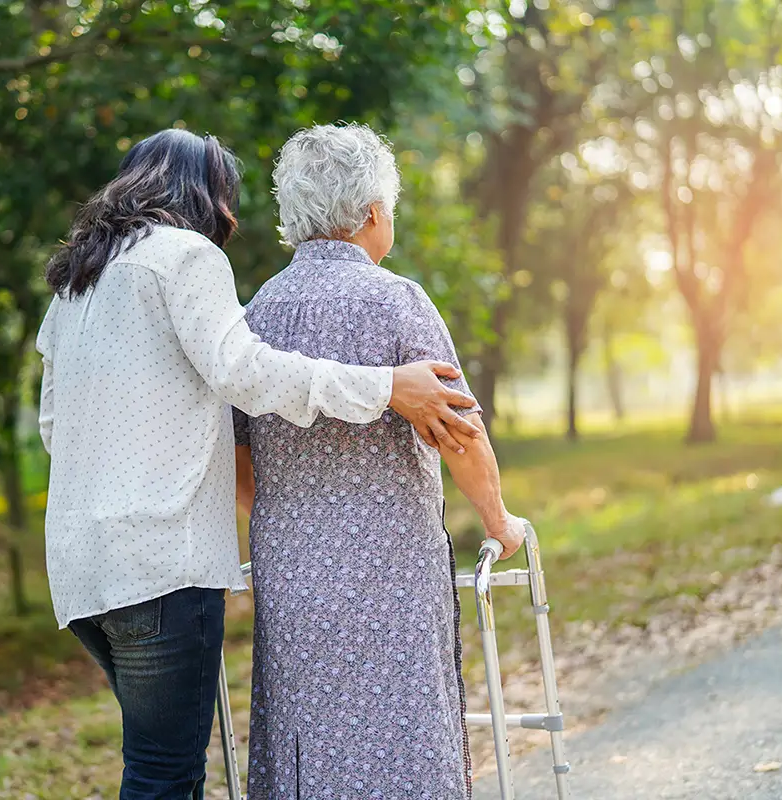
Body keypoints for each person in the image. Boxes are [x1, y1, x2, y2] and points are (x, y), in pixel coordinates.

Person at [34, 128, 482, 800]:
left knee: (156, 765)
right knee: (164, 776)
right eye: (226, 197)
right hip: (160, 562)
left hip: (80, 571)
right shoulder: (186, 256)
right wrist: (387, 386)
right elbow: (244, 373)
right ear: (204, 193)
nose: (231, 217)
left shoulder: (77, 281)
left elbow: (53, 427)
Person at [233, 123, 526, 800]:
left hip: (293, 578)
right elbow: (463, 436)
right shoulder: (398, 302)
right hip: (393, 571)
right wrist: (500, 519)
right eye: (388, 208)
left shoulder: (252, 319)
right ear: (370, 214)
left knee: (310, 737)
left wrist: (292, 522)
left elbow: (239, 459)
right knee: (406, 737)